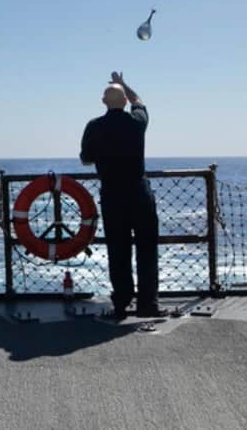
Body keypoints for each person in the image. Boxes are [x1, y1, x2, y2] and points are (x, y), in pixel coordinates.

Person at [79, 71, 161, 319]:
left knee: (119, 251)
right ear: (124, 101)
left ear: (103, 102)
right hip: (139, 192)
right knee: (147, 249)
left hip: (113, 195)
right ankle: (148, 304)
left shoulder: (94, 126)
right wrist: (124, 83)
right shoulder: (136, 122)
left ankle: (122, 303)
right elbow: (140, 102)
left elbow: (85, 159)